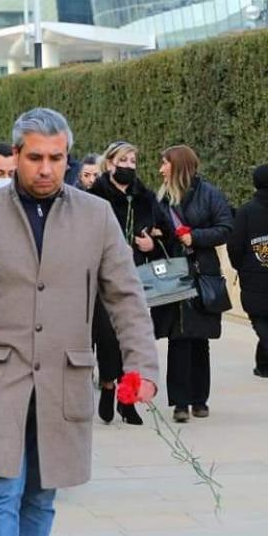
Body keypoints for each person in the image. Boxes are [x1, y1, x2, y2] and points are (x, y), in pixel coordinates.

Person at [0, 108, 159, 536]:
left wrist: (142, 364)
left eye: (56, 158)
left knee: (43, 494)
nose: (46, 169)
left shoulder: (96, 216)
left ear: (68, 156)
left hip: (64, 376)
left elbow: (126, 296)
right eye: (35, 157)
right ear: (15, 156)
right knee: (3, 490)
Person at [88, 141, 174, 424]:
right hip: (101, 277)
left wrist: (152, 242)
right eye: (123, 160)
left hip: (135, 274)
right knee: (108, 336)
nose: (128, 166)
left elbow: (168, 232)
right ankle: (108, 385)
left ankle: (127, 400)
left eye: (133, 161)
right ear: (110, 163)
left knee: (132, 334)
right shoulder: (93, 197)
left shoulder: (145, 197)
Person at [151, 145, 233, 422]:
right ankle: (180, 403)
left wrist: (195, 237)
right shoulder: (162, 199)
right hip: (173, 275)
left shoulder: (210, 194)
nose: (161, 169)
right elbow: (153, 228)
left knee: (199, 339)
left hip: (201, 274)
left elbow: (225, 228)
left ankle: (199, 399)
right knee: (178, 338)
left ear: (178, 166)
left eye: (165, 163)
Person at [228, 164, 268, 378]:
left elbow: (234, 245)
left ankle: (263, 365)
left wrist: (240, 266)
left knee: (260, 319)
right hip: (255, 275)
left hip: (253, 277)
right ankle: (263, 366)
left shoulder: (246, 211)